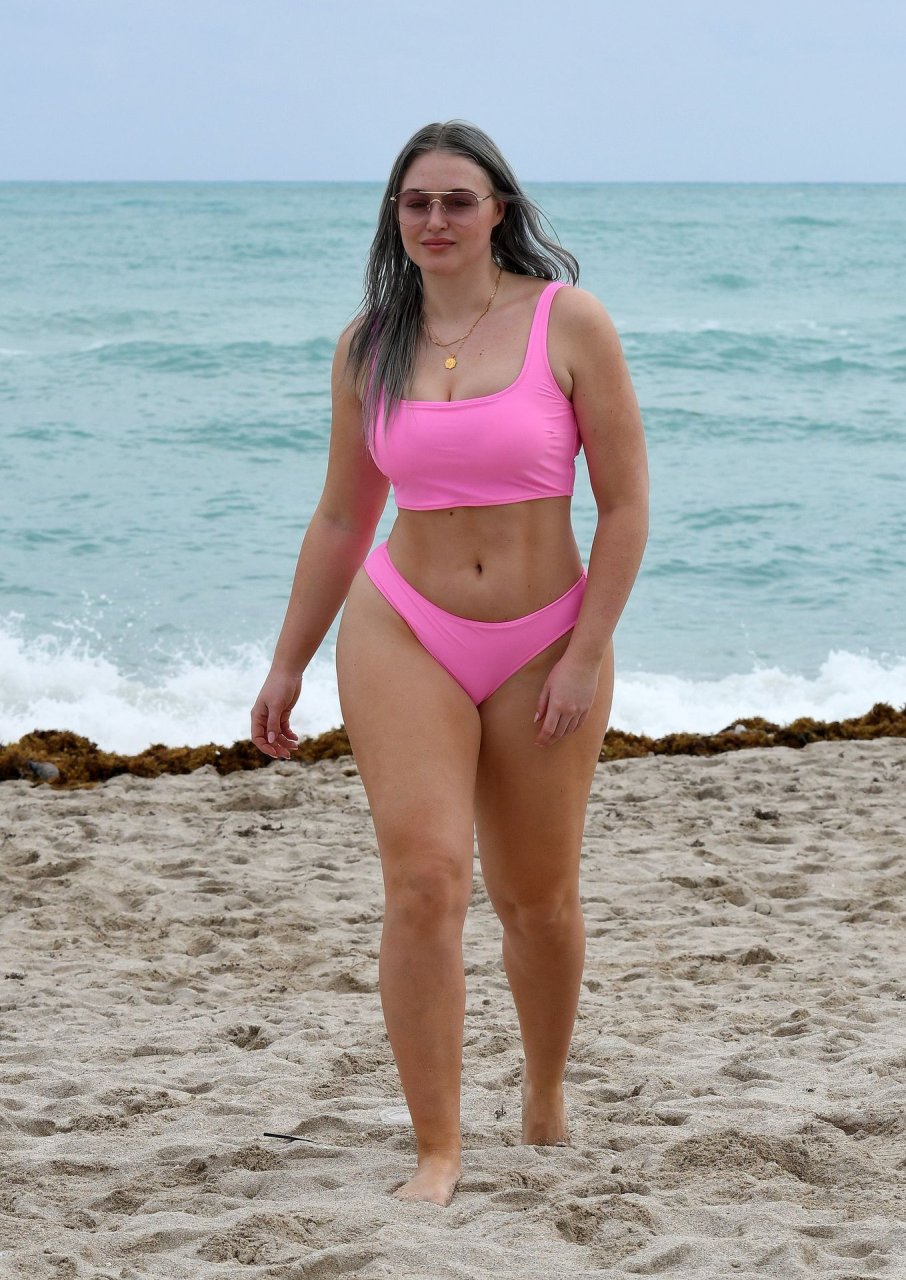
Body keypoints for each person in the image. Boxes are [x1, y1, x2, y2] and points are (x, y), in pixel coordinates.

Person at [251, 121, 649, 1208]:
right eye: (416, 201)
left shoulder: (569, 322)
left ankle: (545, 1089)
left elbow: (624, 507)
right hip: (404, 627)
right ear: (396, 215)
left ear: (498, 211)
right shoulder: (369, 345)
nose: (435, 219)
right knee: (424, 880)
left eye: (457, 200)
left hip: (545, 637)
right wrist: (287, 662)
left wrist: (584, 653)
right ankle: (437, 1146)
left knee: (537, 899)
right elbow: (344, 516)